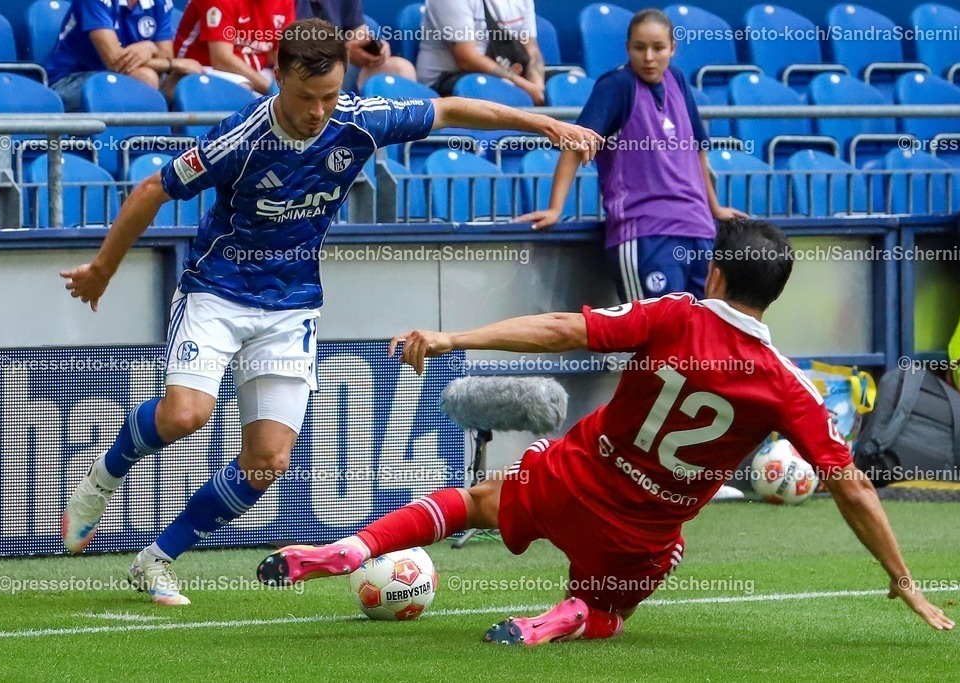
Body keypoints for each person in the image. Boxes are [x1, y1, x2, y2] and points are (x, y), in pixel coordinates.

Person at [59, 17, 602, 606]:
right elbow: (151, 190)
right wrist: (103, 269)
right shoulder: (240, 136)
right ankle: (102, 480)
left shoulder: (357, 120)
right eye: (305, 96)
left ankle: (157, 559)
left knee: (267, 462)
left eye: (329, 95)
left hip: (291, 307)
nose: (318, 111)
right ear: (278, 76)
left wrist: (546, 124)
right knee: (185, 415)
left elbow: (449, 110)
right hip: (216, 292)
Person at [256, 219, 954, 644]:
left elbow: (563, 328)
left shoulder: (675, 314)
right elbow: (852, 486)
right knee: (622, 598)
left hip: (568, 481)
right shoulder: (786, 385)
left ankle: (350, 548)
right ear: (774, 294)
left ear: (714, 273)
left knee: (475, 501)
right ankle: (565, 617)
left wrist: (452, 337)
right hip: (637, 538)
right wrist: (903, 579)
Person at [519, 9, 745, 302]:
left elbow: (697, 149)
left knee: (702, 328)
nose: (649, 57)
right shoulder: (616, 86)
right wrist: (555, 208)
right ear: (627, 48)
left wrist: (714, 208)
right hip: (645, 233)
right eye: (640, 48)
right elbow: (576, 144)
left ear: (673, 48)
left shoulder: (677, 80)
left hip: (699, 231)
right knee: (655, 330)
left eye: (658, 48)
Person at [46, 0, 205, 111]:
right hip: (68, 82)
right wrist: (172, 63)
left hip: (120, 78)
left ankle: (178, 143)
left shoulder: (160, 2)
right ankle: (142, 144)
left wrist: (151, 49)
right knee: (145, 77)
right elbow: (115, 61)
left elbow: (165, 53)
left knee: (183, 80)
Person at [416, 0, 545, 104]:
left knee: (554, 88)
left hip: (502, 80)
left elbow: (531, 48)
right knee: (486, 90)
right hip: (446, 83)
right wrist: (526, 87)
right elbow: (467, 59)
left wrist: (538, 86)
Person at [173, 0, 295, 94]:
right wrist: (272, 91)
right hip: (200, 70)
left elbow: (281, 53)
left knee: (298, 86)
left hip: (254, 71)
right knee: (241, 90)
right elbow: (221, 59)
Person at [295, 0, 416, 91]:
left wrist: (375, 48)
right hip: (303, 67)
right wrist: (343, 52)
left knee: (400, 69)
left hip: (341, 64)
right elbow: (292, 49)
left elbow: (358, 32)